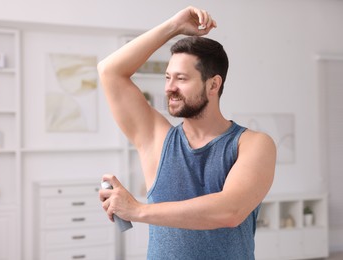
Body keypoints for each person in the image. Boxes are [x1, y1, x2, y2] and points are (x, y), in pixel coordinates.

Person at [98, 6, 276, 260]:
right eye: (167, 77)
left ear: (213, 84)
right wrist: (174, 26)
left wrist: (136, 210)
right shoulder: (156, 139)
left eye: (181, 78)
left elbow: (230, 211)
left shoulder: (253, 144)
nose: (170, 88)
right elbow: (109, 71)